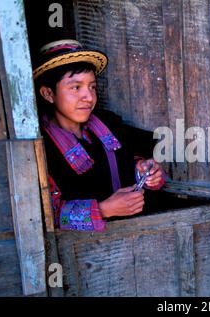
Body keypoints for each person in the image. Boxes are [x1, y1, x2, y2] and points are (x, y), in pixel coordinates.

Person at [33, 39, 165, 232]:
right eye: (76, 87)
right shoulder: (40, 147)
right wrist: (104, 210)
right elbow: (42, 215)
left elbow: (133, 162)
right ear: (48, 93)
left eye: (92, 87)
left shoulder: (107, 123)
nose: (89, 97)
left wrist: (144, 171)